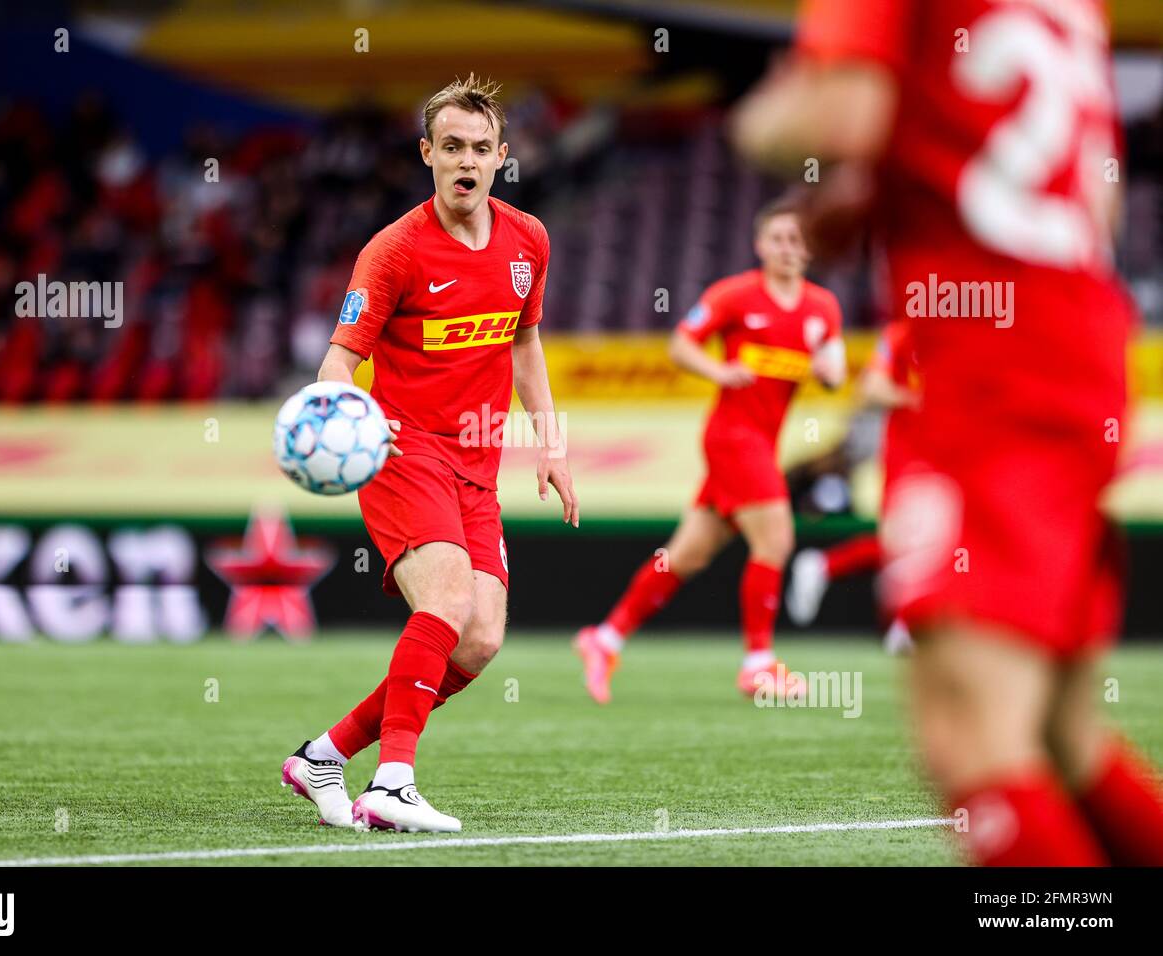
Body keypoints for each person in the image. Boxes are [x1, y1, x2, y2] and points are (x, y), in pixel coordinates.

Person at [734, 0, 1163, 864]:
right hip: (1076, 332)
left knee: (972, 740)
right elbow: (1088, 192)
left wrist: (768, 110)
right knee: (1061, 733)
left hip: (992, 365)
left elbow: (841, 115)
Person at [283, 74, 579, 833]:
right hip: (401, 451)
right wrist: (341, 422)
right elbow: (339, 361)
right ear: (427, 153)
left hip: (477, 466)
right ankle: (392, 782)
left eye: (481, 148)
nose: (466, 161)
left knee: (479, 640)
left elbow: (526, 339)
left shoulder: (529, 240)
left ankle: (326, 754)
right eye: (451, 147)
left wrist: (550, 441)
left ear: (503, 156)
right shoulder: (392, 251)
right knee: (446, 603)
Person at [575, 200, 845, 704]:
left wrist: (830, 373)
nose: (788, 248)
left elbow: (833, 367)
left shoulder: (823, 307)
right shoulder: (735, 295)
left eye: (796, 239)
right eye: (778, 239)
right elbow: (681, 343)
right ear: (760, 245)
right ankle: (758, 664)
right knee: (777, 539)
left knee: (687, 555)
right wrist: (720, 372)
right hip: (732, 437)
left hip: (762, 441)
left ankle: (604, 637)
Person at [787, 318, 919, 653]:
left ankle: (902, 621)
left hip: (951, 449)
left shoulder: (976, 332)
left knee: (938, 538)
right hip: (908, 448)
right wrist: (920, 400)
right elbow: (871, 388)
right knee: (907, 535)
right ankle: (901, 622)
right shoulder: (902, 334)